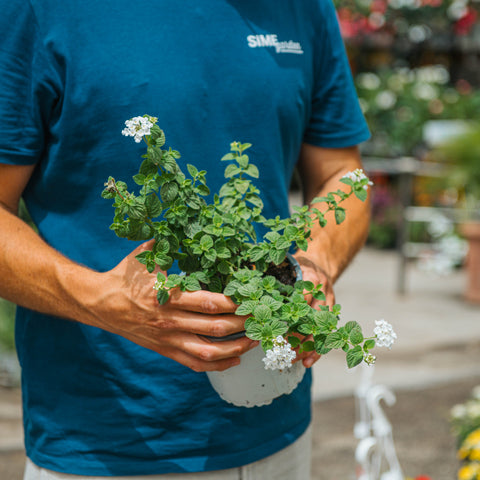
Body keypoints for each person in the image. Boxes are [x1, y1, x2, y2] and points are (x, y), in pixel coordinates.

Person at [0, 0, 371, 478]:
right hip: (104, 445)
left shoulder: (304, 8)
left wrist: (315, 264)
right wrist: (101, 299)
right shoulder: (39, 9)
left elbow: (343, 173)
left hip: (277, 430)